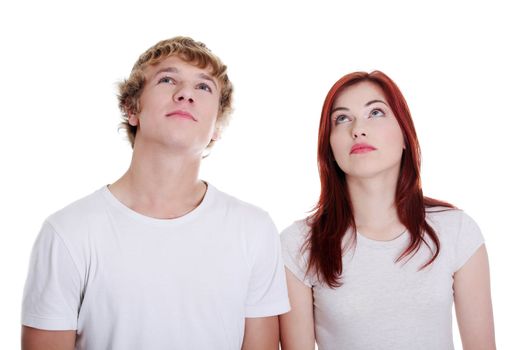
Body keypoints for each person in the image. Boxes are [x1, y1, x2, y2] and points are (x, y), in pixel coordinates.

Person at [21, 36, 290, 350]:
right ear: (132, 108)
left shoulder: (254, 230)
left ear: (217, 126)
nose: (185, 94)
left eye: (203, 87)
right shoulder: (68, 232)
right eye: (167, 79)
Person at [279, 71, 496, 350]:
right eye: (342, 118)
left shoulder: (457, 231)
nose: (357, 128)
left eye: (376, 112)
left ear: (405, 136)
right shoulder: (297, 244)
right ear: (329, 146)